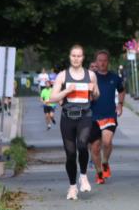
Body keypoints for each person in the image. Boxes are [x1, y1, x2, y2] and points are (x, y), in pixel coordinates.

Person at [48, 44, 100, 200]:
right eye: (73, 56)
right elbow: (52, 98)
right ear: (70, 57)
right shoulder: (62, 76)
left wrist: (94, 89)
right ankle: (72, 187)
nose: (76, 58)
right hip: (68, 117)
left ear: (83, 58)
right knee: (70, 154)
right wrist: (66, 91)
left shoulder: (90, 75)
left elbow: (96, 95)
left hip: (85, 115)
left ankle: (83, 176)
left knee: (83, 145)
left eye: (79, 56)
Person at [88, 50, 125, 184]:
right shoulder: (91, 78)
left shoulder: (114, 78)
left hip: (109, 115)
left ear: (108, 62)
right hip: (93, 117)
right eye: (100, 60)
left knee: (107, 142)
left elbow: (121, 90)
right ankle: (99, 173)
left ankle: (105, 162)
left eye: (104, 60)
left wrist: (120, 104)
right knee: (95, 147)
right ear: (96, 62)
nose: (102, 63)